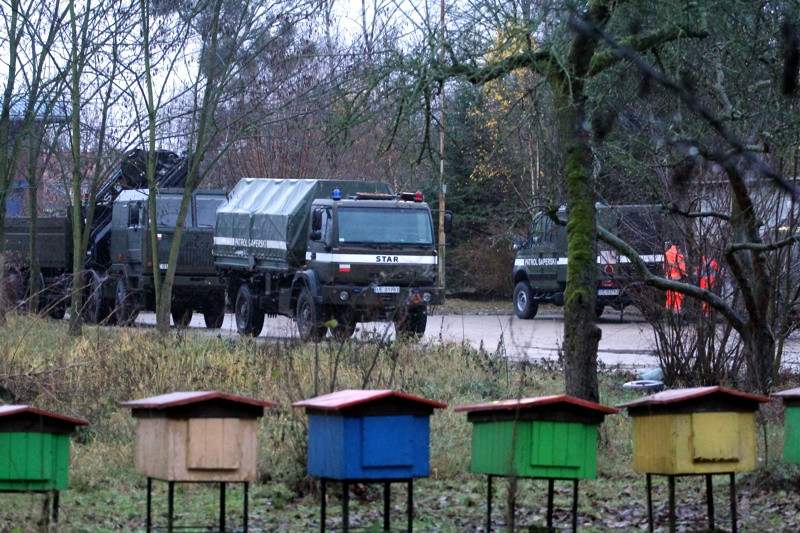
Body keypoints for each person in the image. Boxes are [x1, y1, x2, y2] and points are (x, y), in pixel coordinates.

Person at [664, 243, 686, 313]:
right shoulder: (679, 254)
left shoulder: (667, 253)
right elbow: (682, 268)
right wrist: (684, 275)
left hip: (669, 278)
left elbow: (664, 267)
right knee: (678, 296)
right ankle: (677, 313)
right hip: (677, 278)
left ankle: (668, 313)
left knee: (669, 296)